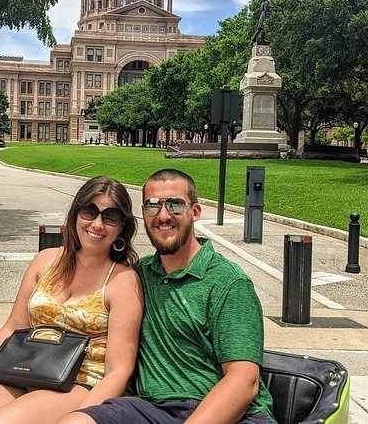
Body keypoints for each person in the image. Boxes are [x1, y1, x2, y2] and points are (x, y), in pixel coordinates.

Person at [0, 176, 143, 424]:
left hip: (79, 384)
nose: (97, 224)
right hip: (24, 371)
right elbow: (13, 327)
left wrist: (85, 414)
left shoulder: (123, 281)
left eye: (110, 217)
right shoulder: (46, 261)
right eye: (90, 211)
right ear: (76, 214)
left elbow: (119, 370)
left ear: (121, 227)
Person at [60, 169, 275, 424]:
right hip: (152, 410)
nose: (163, 216)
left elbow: (244, 381)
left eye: (175, 205)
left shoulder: (228, 282)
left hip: (230, 413)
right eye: (153, 206)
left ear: (195, 212)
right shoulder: (137, 276)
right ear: (143, 214)